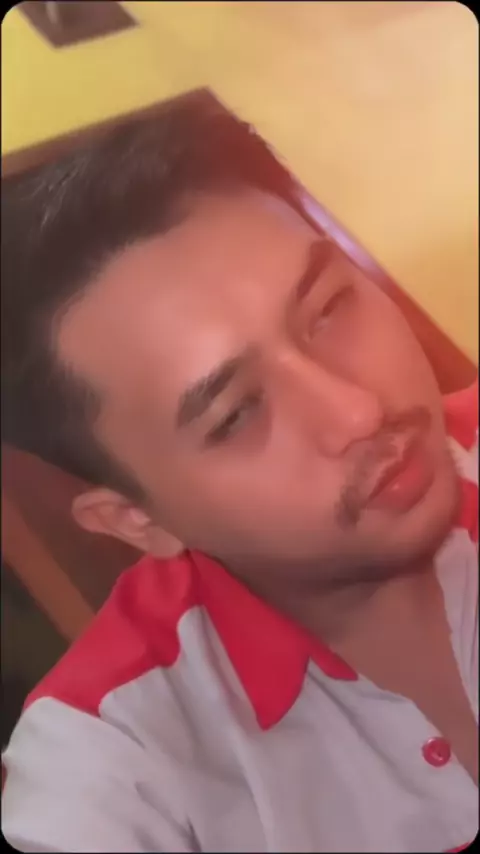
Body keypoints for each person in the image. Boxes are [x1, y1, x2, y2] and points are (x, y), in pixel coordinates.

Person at [1, 98, 478, 853]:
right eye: (235, 415)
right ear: (137, 520)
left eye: (328, 308)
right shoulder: (116, 762)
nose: (359, 412)